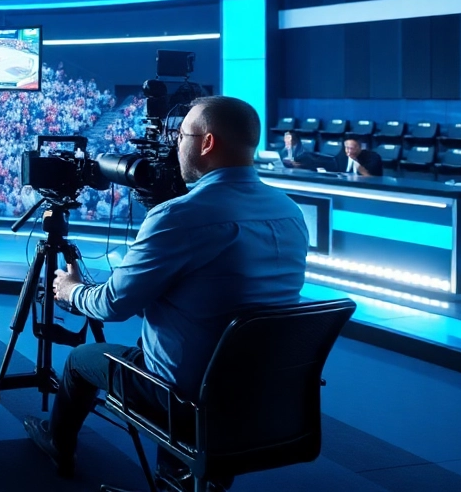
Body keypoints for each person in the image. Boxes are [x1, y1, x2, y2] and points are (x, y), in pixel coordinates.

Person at [24, 96, 309, 486]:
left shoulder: (180, 216)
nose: (175, 146)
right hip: (264, 395)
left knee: (80, 360)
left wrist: (70, 290)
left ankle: (59, 445)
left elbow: (112, 304)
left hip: (183, 398)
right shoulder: (290, 211)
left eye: (181, 136)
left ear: (207, 143)